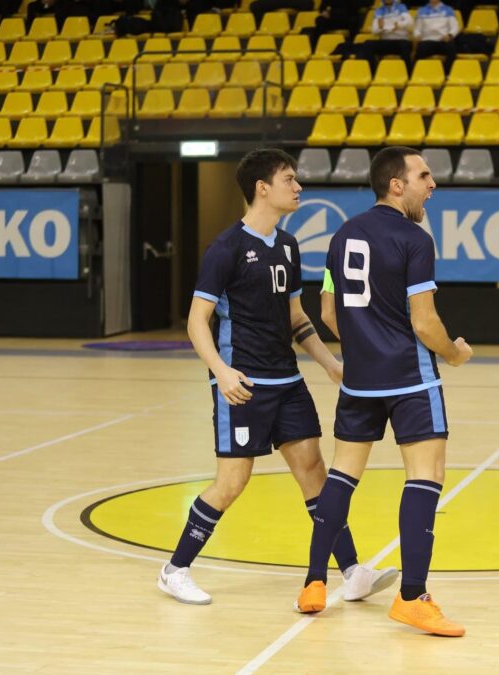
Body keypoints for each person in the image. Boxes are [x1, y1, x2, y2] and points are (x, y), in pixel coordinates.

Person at [157, 148, 398, 606]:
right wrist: (221, 371)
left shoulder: (287, 246)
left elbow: (295, 317)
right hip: (243, 384)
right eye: (289, 178)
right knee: (232, 482)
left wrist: (327, 361)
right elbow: (196, 321)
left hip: (287, 382)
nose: (298, 186)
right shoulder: (224, 249)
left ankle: (351, 572)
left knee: (314, 471)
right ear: (262, 188)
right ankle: (175, 569)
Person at [294, 146, 474, 638]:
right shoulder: (414, 238)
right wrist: (454, 355)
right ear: (397, 184)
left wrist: (364, 345)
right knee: (426, 475)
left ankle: (313, 583)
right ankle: (413, 597)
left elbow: (328, 314)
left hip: (359, 379)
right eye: (423, 175)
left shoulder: (342, 235)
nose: (431, 184)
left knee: (342, 476)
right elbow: (425, 321)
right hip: (411, 377)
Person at [413, 0, 460, 70]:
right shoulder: (421, 11)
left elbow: (455, 27)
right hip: (427, 40)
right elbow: (417, 28)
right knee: (419, 52)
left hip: (443, 41)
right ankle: (420, 73)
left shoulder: (448, 9)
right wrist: (417, 35)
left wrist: (450, 35)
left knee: (452, 50)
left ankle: (446, 73)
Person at [366, 0, 413, 67]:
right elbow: (374, 31)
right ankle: (373, 72)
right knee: (368, 44)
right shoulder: (379, 11)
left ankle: (407, 73)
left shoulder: (401, 7)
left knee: (405, 45)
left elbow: (410, 22)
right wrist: (380, 28)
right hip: (385, 41)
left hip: (400, 40)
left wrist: (399, 25)